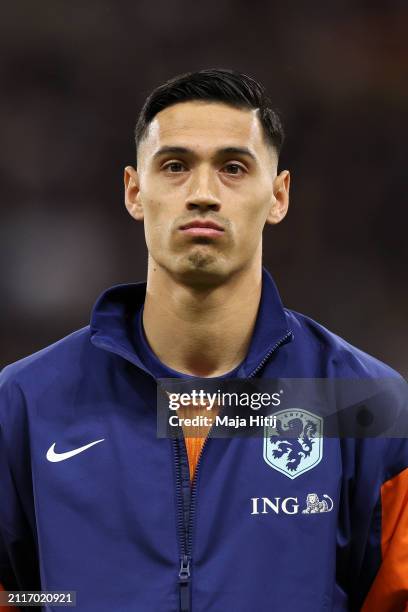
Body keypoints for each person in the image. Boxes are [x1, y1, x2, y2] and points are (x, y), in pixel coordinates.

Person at [0, 68, 407, 612]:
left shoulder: (364, 403)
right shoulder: (26, 403)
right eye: (175, 166)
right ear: (134, 191)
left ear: (279, 195)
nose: (202, 194)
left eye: (234, 168)